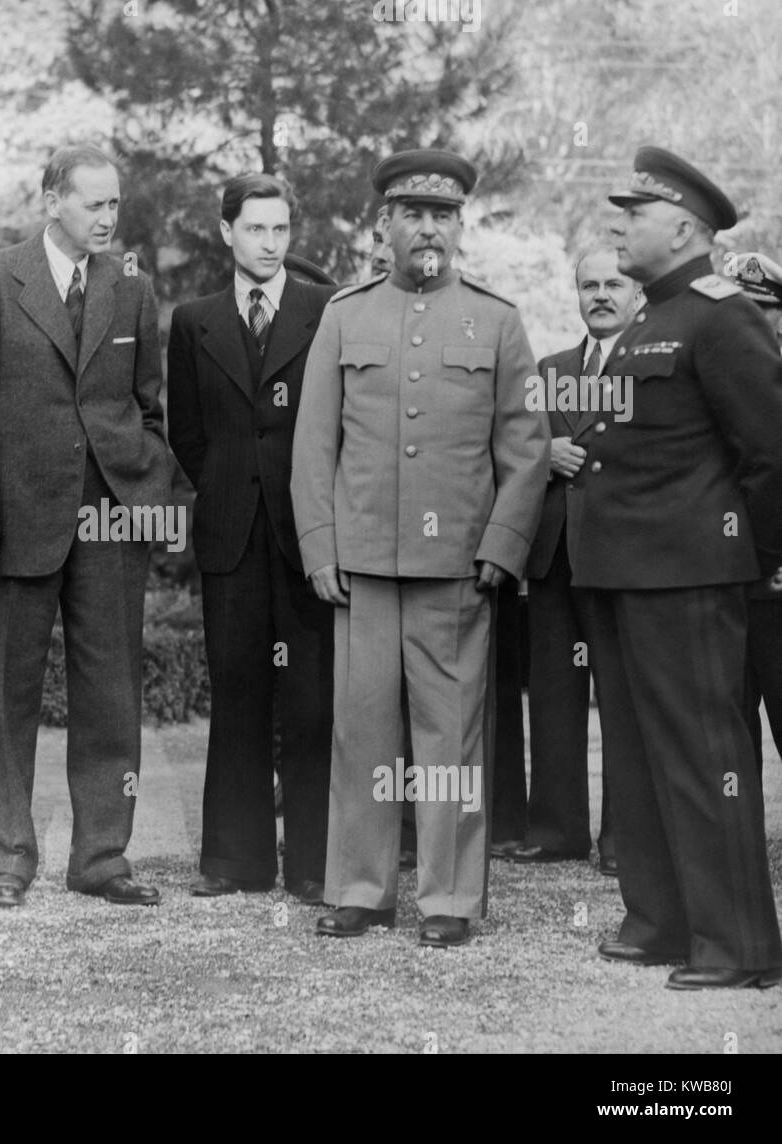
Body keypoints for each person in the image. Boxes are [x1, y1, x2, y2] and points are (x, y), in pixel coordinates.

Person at [292, 148, 548, 948]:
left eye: (442, 215)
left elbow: (526, 448)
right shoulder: (346, 314)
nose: (428, 228)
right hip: (363, 565)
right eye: (413, 214)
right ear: (385, 225)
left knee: (451, 739)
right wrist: (320, 545)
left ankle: (447, 899)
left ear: (459, 225)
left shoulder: (498, 321)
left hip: (456, 571)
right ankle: (361, 889)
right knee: (361, 734)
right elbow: (313, 442)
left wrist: (502, 547)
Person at [576, 147, 782, 989]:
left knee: (705, 760)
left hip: (690, 578)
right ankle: (660, 920)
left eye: (638, 213)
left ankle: (738, 946)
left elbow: (770, 452)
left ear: (687, 228)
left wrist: (750, 558)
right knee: (634, 758)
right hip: (622, 576)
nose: (621, 223)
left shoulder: (720, 315)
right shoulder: (648, 317)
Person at [0, 144, 176, 908]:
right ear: (52, 201)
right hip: (17, 520)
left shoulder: (131, 288)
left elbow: (148, 403)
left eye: (115, 204)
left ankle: (102, 857)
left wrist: (145, 488)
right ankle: (7, 859)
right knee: (7, 691)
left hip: (111, 516)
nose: (108, 218)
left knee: (111, 690)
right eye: (93, 203)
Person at [167, 173, 335, 906]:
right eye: (256, 229)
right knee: (236, 694)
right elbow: (189, 436)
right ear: (228, 231)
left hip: (307, 533)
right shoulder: (193, 320)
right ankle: (234, 860)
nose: (270, 244)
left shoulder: (325, 310)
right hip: (230, 533)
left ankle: (313, 860)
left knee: (311, 697)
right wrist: (233, 486)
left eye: (281, 230)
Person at [512, 248, 638, 875]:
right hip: (556, 556)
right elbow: (518, 447)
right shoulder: (551, 367)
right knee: (555, 697)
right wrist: (547, 450)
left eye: (614, 283)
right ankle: (557, 829)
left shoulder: (654, 365)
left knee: (623, 700)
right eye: (589, 284)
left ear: (637, 292)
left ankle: (623, 838)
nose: (601, 294)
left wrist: (582, 457)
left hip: (622, 559)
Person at [723, 250, 782, 774]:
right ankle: (735, 854)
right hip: (721, 585)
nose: (748, 322)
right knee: (726, 736)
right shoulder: (700, 386)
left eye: (760, 309)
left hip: (778, 584)